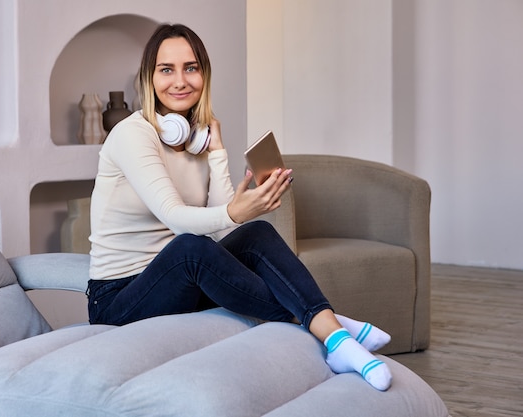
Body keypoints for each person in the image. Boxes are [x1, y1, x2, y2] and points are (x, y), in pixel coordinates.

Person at [87, 23, 392, 391]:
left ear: (204, 75)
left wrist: (217, 151)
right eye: (166, 70)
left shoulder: (197, 138)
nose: (180, 81)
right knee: (189, 248)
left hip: (178, 281)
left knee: (256, 233)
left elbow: (222, 229)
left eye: (191, 68)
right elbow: (176, 217)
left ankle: (330, 331)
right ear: (149, 80)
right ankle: (331, 328)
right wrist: (236, 210)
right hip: (119, 299)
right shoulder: (132, 134)